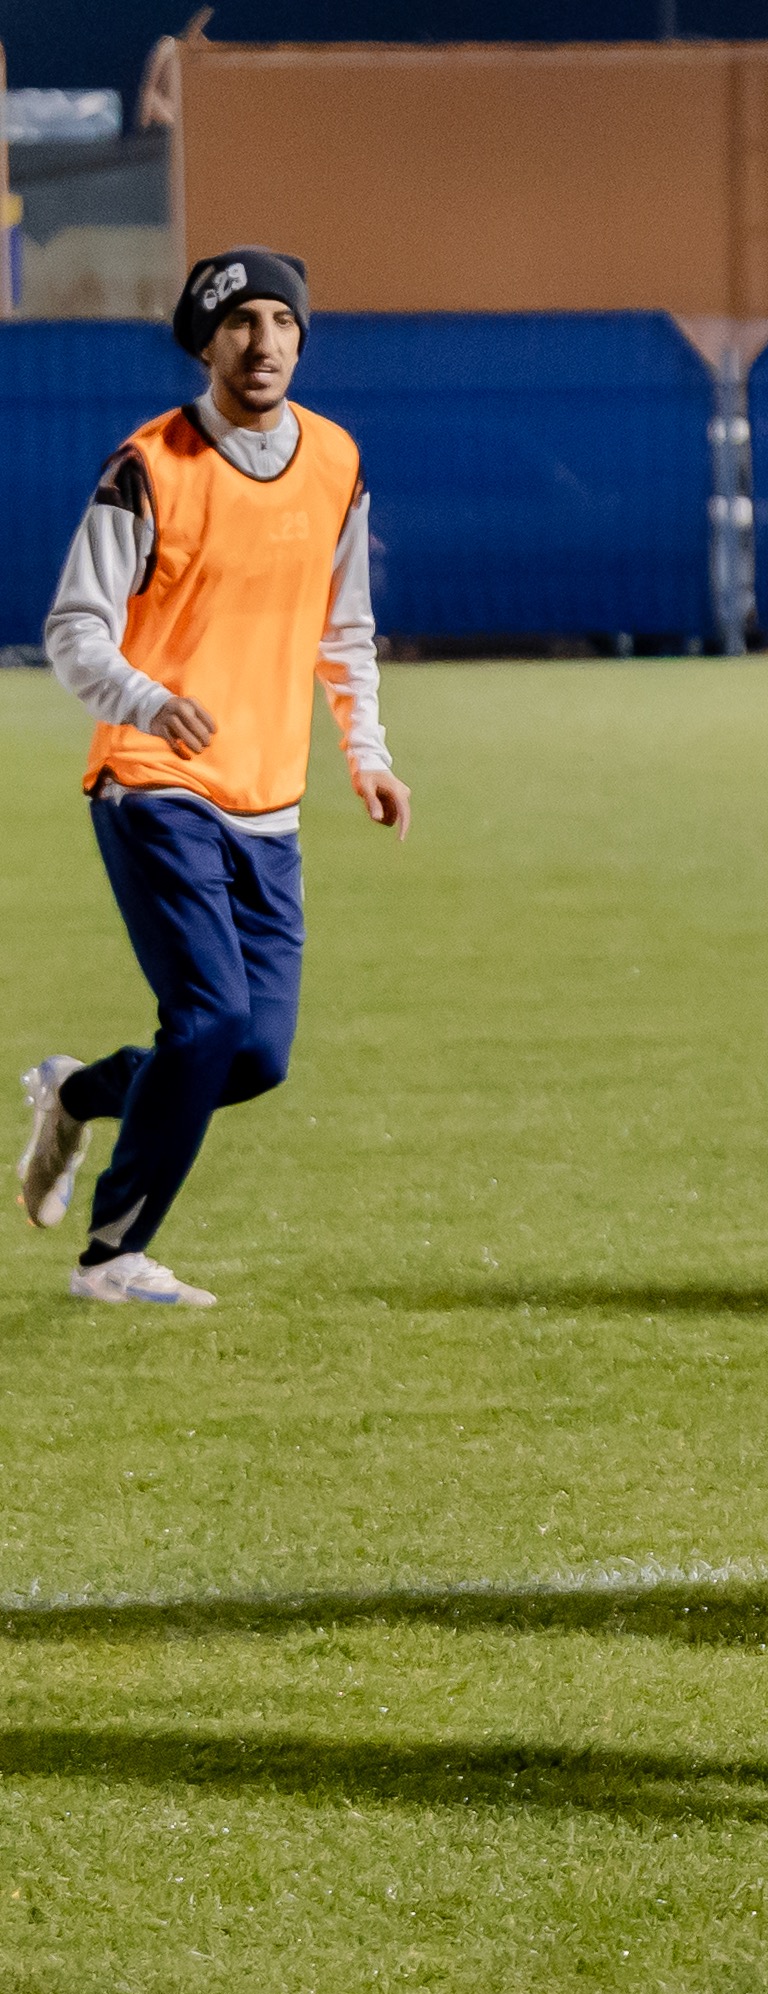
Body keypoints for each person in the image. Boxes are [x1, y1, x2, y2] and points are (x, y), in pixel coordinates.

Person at [18, 248, 409, 1307]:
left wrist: (365, 754)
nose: (265, 341)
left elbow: (347, 629)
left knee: (252, 1056)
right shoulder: (149, 465)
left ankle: (77, 1091)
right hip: (152, 781)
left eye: (283, 320)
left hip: (267, 801)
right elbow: (72, 629)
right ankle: (111, 1259)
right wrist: (147, 702)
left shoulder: (335, 460)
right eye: (240, 321)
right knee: (205, 1021)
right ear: (205, 341)